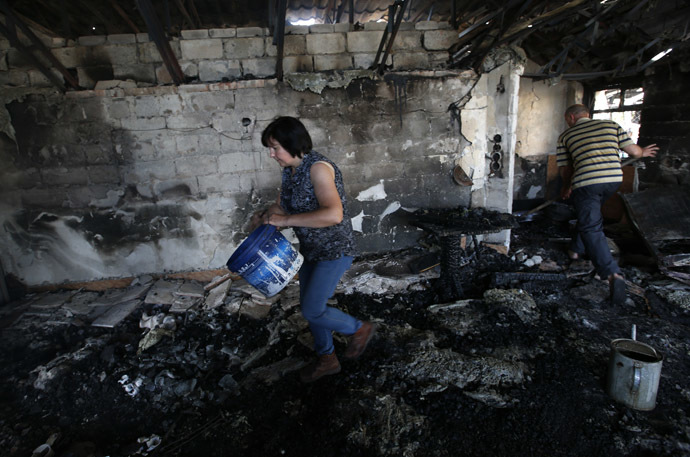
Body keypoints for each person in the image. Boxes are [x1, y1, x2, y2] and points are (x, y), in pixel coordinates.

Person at [258, 116, 376, 383]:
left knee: (312, 310)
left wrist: (285, 221)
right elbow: (281, 206)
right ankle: (328, 359)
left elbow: (334, 214)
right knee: (311, 306)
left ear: (293, 143)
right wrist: (267, 216)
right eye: (270, 147)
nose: (271, 153)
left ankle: (359, 330)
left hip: (335, 249)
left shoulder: (318, 168)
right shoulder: (289, 171)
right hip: (312, 250)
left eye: (275, 147)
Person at [557, 104, 658, 305]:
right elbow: (634, 152)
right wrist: (642, 152)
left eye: (566, 119)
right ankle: (575, 250)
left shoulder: (566, 136)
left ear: (570, 117)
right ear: (587, 115)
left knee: (590, 225)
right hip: (612, 181)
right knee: (589, 217)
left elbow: (567, 169)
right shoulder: (611, 125)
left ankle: (612, 273)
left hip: (586, 183)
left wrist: (567, 187)